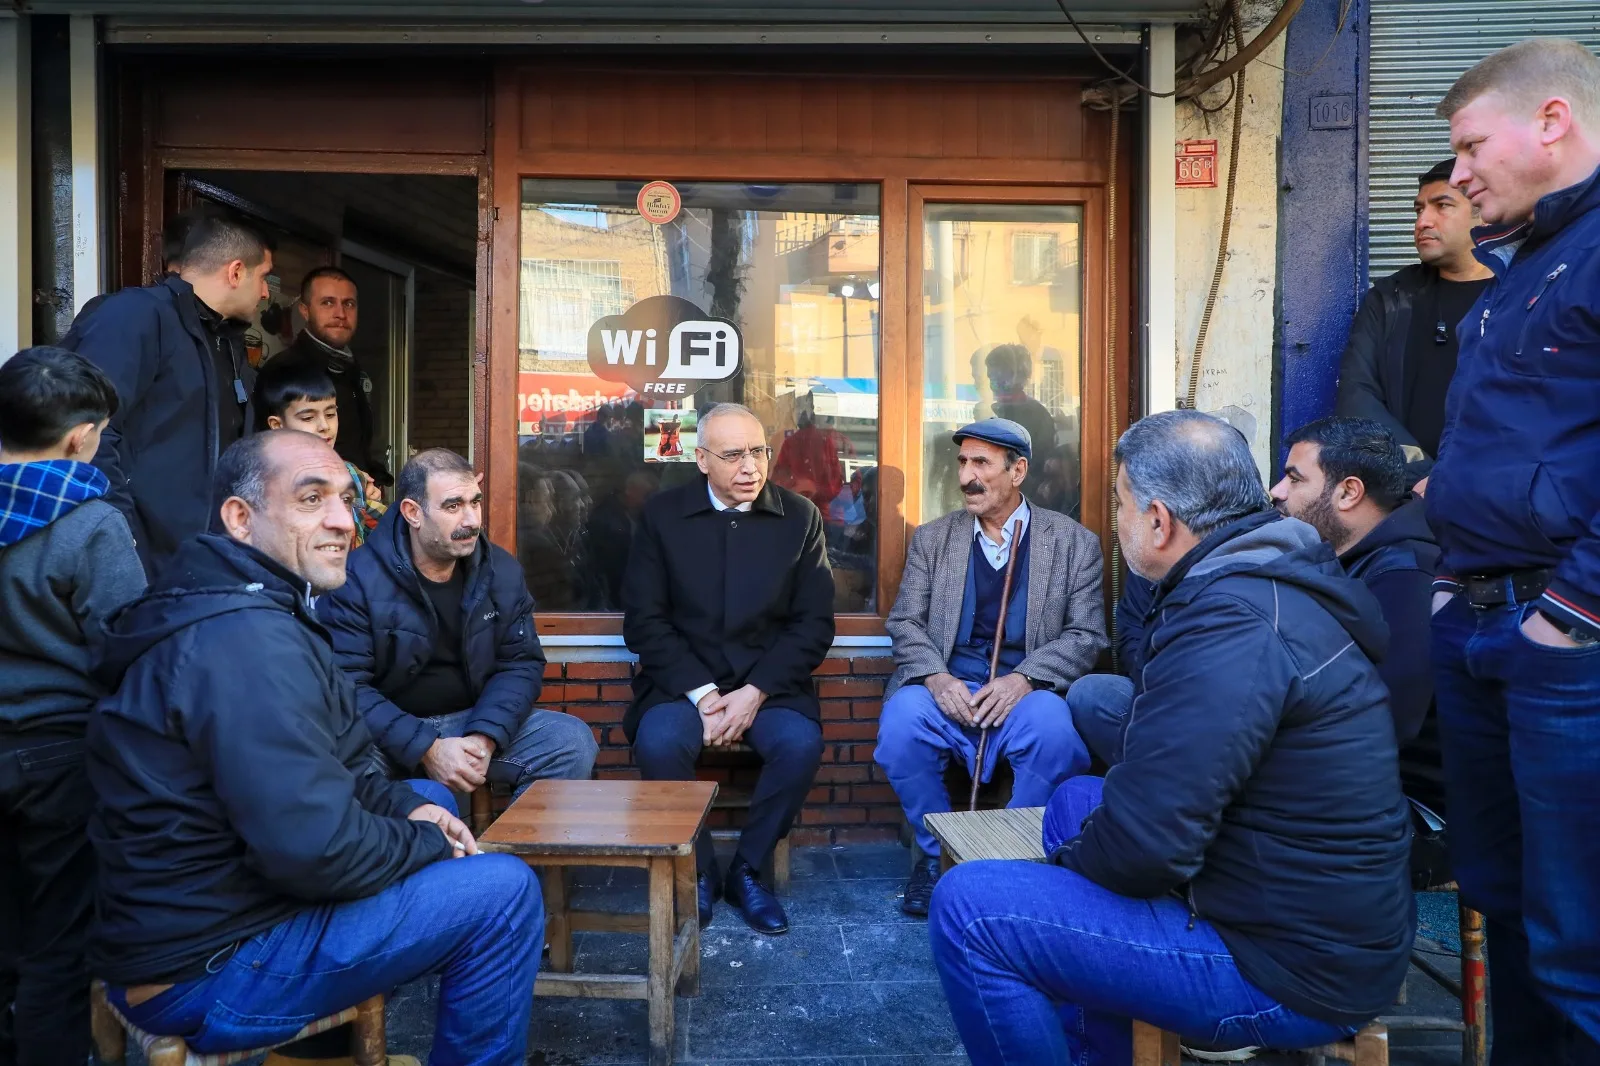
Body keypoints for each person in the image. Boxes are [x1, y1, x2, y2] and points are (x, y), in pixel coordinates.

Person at [930, 410, 1414, 1065]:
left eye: (1122, 505)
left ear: (1160, 522)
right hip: (1292, 908)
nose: (1118, 522)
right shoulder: (1262, 577)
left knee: (971, 910)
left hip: (1289, 967)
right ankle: (1099, 1049)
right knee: (1075, 799)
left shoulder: (1231, 625)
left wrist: (1063, 874)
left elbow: (1148, 847)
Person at [87, 430, 542, 1063]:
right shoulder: (245, 641)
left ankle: (330, 1040)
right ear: (240, 519)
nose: (342, 521)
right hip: (209, 966)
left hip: (216, 914)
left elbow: (344, 761)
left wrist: (407, 809)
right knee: (504, 891)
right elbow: (316, 851)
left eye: (347, 500)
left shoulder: (253, 603)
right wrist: (431, 843)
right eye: (310, 499)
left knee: (425, 793)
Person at [1427, 38, 1600, 1060]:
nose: (1454, 175)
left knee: (1580, 948)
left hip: (1564, 650)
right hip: (1486, 630)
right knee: (1506, 915)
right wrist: (1453, 593)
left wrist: (1569, 615)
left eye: (1466, 147)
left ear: (1550, 121)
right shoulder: (1520, 268)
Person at [878, 417, 1105, 917]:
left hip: (1024, 695)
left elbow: (1086, 636)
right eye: (962, 462)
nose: (966, 476)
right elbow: (905, 622)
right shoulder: (934, 539)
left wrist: (1024, 679)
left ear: (1018, 470)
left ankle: (1013, 859)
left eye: (980, 463)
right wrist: (937, 678)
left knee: (1055, 735)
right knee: (899, 726)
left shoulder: (1073, 544)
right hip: (946, 688)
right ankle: (935, 857)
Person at [622, 403, 833, 936]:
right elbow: (645, 622)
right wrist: (703, 694)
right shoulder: (663, 516)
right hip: (682, 685)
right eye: (733, 455)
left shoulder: (800, 517)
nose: (751, 467)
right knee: (658, 743)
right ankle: (697, 871)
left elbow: (813, 624)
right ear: (700, 460)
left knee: (800, 745)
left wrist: (755, 691)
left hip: (769, 686)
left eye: (759, 451)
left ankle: (748, 870)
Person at [0, 348, 145, 1066]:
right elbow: (125, 647)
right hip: (61, 757)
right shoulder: (90, 522)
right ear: (80, 437)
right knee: (59, 948)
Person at [321, 449, 596, 803]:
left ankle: (513, 855)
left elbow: (520, 663)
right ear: (412, 513)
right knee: (339, 764)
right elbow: (347, 685)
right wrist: (426, 748)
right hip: (385, 734)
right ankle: (407, 849)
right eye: (453, 506)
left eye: (475, 502)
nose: (471, 520)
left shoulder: (501, 571)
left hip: (471, 721)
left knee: (570, 741)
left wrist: (484, 736)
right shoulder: (356, 577)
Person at [64, 210, 271, 577]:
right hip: (141, 560)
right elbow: (84, 431)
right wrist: (122, 537)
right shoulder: (135, 315)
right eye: (264, 277)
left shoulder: (226, 340)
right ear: (236, 272)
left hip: (207, 560)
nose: (267, 292)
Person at [1270, 416, 1444, 799]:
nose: (1276, 492)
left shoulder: (1406, 575)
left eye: (1295, 478)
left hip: (1394, 801)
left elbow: (1387, 722)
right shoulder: (1343, 554)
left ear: (1349, 493)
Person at [1336, 159, 1493, 490]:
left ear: (1482, 210)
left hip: (1495, 491)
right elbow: (1356, 394)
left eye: (1442, 206)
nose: (1423, 221)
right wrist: (1420, 474)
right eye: (1419, 209)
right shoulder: (1391, 297)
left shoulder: (1521, 291)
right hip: (1406, 495)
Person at [252, 355, 386, 545]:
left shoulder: (351, 476)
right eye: (308, 418)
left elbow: (386, 534)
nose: (324, 426)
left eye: (331, 414)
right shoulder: (263, 485)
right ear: (277, 424)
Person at [280, 267, 387, 484]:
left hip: (355, 498)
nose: (340, 313)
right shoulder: (286, 370)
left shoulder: (349, 365)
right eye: (328, 302)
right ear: (305, 310)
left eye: (349, 304)